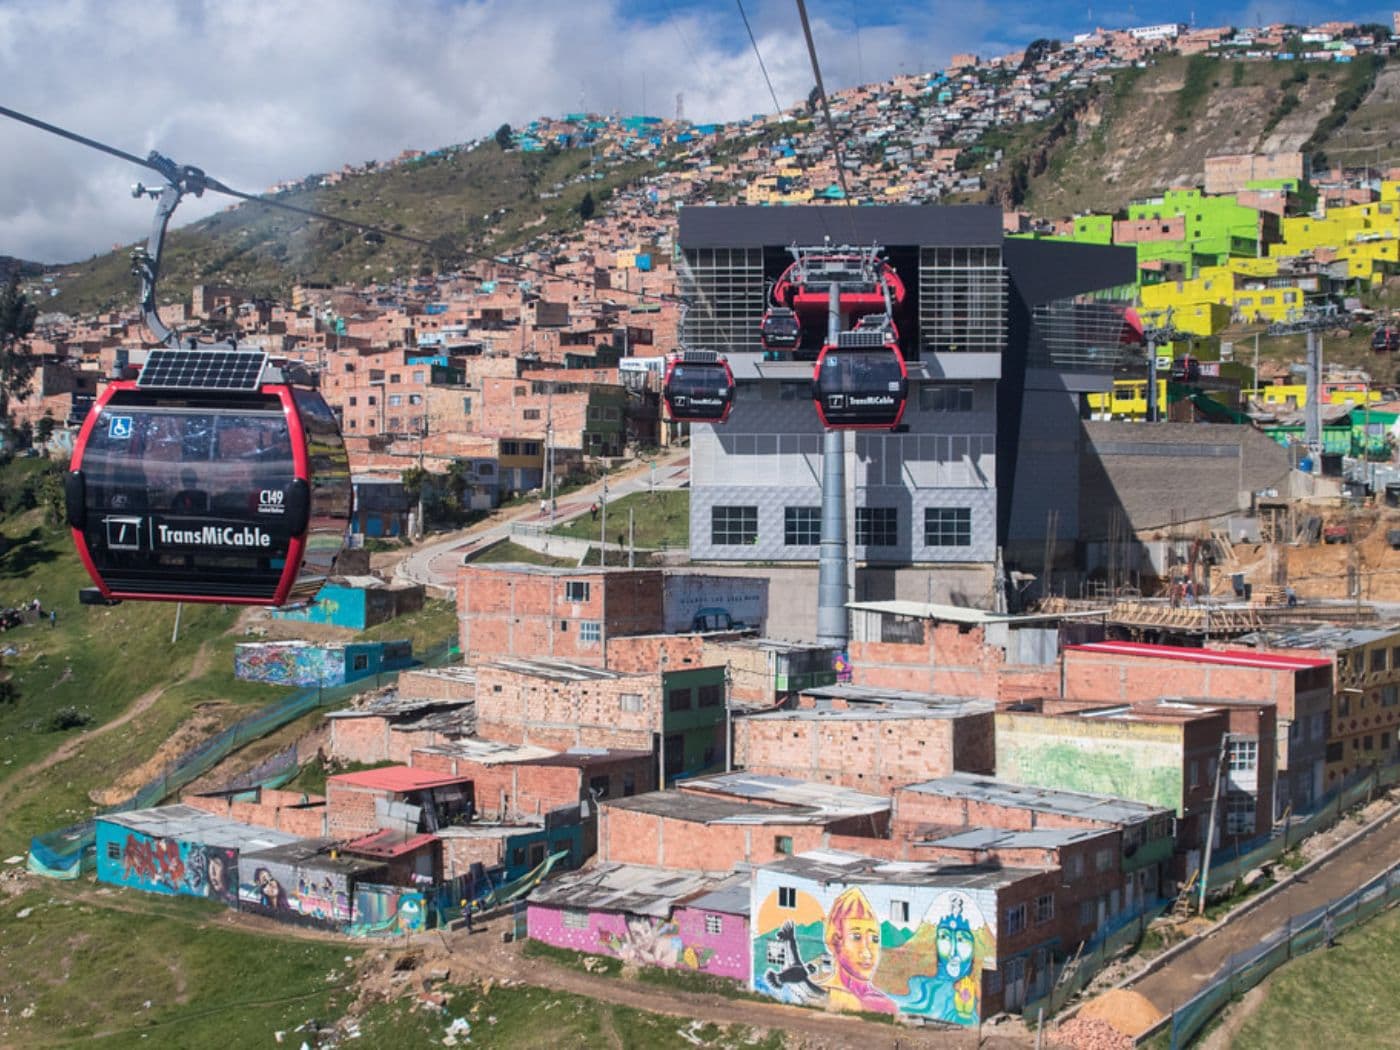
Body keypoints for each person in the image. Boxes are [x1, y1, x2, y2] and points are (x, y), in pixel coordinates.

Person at [821, 887, 895, 1015]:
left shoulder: (885, 1005)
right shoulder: (816, 992)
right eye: (856, 937)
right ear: (836, 941)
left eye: (874, 939)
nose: (867, 952)